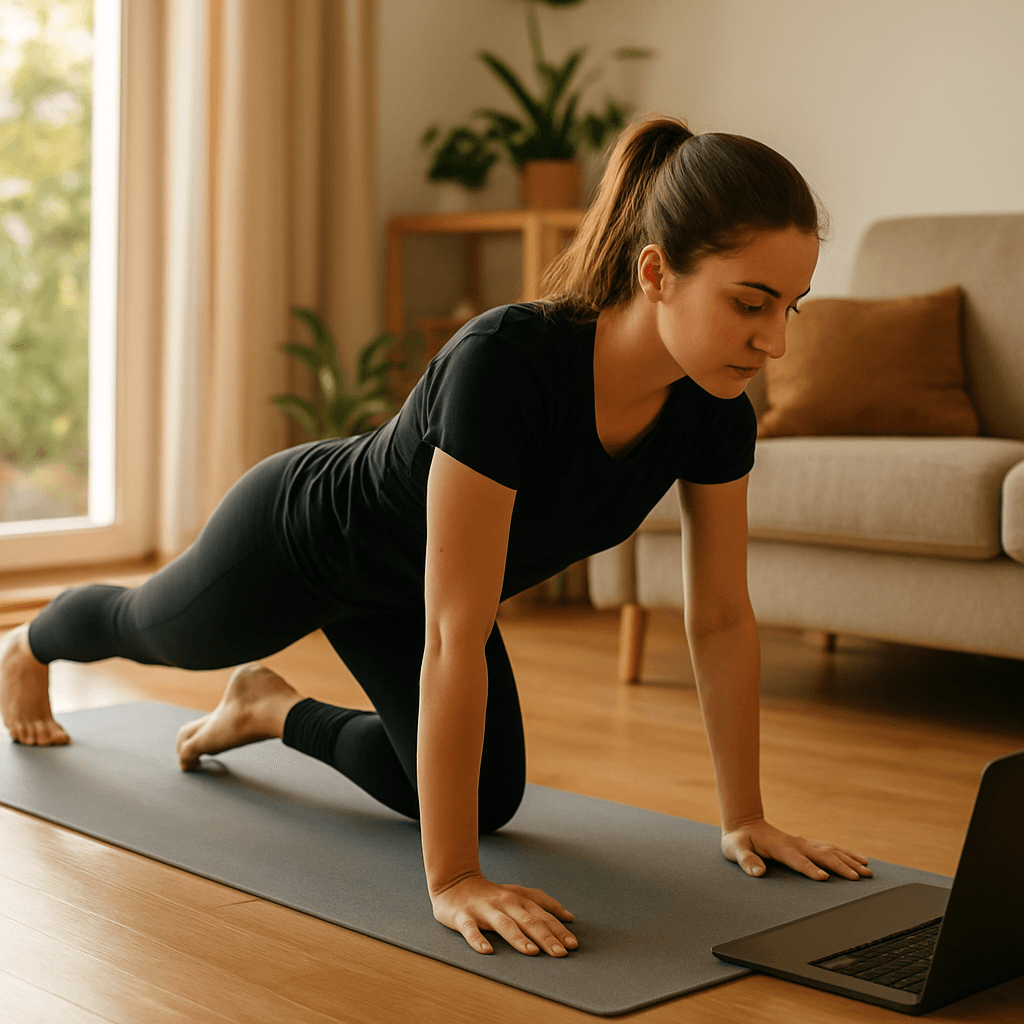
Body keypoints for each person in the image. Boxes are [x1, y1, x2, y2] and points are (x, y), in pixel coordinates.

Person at [0, 113, 872, 961]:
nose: (777, 343)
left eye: (792, 307)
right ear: (655, 272)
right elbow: (456, 629)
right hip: (303, 539)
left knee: (487, 797)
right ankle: (28, 644)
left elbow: (719, 616)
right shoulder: (510, 364)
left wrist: (743, 817)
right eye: (752, 304)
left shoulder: (714, 411)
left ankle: (266, 708)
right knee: (151, 627)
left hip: (409, 594)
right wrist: (454, 880)